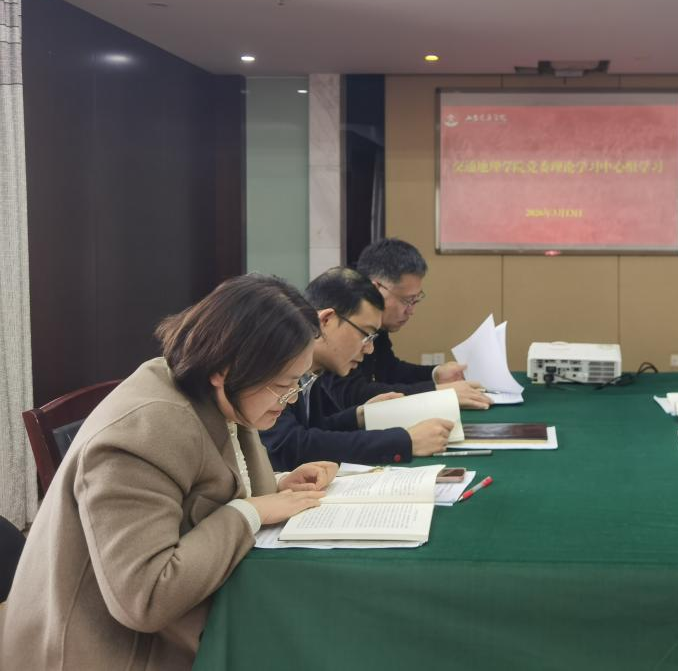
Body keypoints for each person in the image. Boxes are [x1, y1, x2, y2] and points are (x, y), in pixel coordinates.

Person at [0, 275, 339, 671]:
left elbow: (197, 487)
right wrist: (252, 511)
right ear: (226, 369)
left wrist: (279, 484)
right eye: (283, 385)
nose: (291, 398)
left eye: (298, 383)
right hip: (106, 652)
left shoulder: (216, 392)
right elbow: (146, 597)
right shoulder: (143, 431)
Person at [261, 267, 456, 470]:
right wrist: (404, 441)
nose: (370, 349)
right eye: (366, 335)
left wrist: (361, 415)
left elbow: (316, 429)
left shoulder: (313, 368)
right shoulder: (275, 364)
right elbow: (289, 445)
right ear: (326, 320)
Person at [328, 238, 493, 410]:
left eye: (415, 300)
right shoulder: (341, 320)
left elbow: (389, 370)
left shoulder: (376, 323)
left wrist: (436, 374)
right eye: (407, 300)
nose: (411, 311)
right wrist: (437, 393)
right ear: (377, 289)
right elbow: (352, 394)